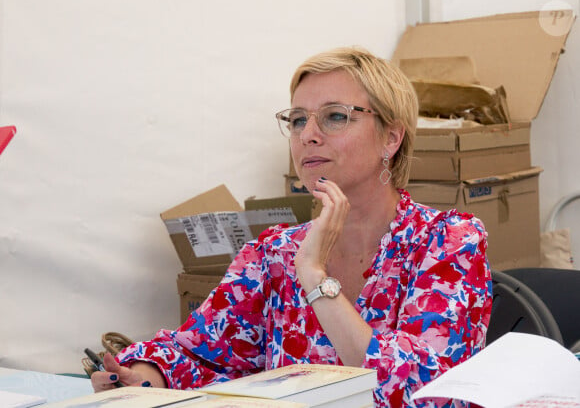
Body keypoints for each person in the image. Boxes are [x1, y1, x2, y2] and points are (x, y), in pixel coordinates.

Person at [91, 46, 493, 407]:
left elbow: (428, 393)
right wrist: (142, 376)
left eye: (335, 117)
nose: (309, 136)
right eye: (298, 120)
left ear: (391, 138)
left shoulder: (448, 242)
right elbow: (198, 352)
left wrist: (316, 278)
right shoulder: (275, 251)